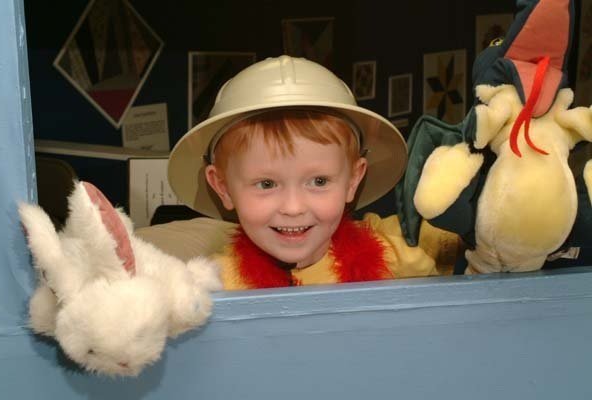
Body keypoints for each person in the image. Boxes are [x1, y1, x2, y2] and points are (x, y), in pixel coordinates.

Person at [167, 55, 462, 290]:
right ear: (222, 187)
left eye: (319, 181)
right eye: (267, 183)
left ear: (354, 179)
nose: (294, 208)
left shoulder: (399, 261)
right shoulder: (213, 286)